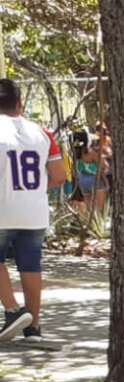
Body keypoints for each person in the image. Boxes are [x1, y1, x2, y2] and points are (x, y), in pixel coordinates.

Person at [0, 78, 65, 344]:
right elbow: (59, 175)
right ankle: (34, 327)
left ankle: (13, 310)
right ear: (19, 102)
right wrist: (37, 189)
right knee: (31, 264)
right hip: (35, 211)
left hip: (3, 208)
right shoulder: (42, 132)